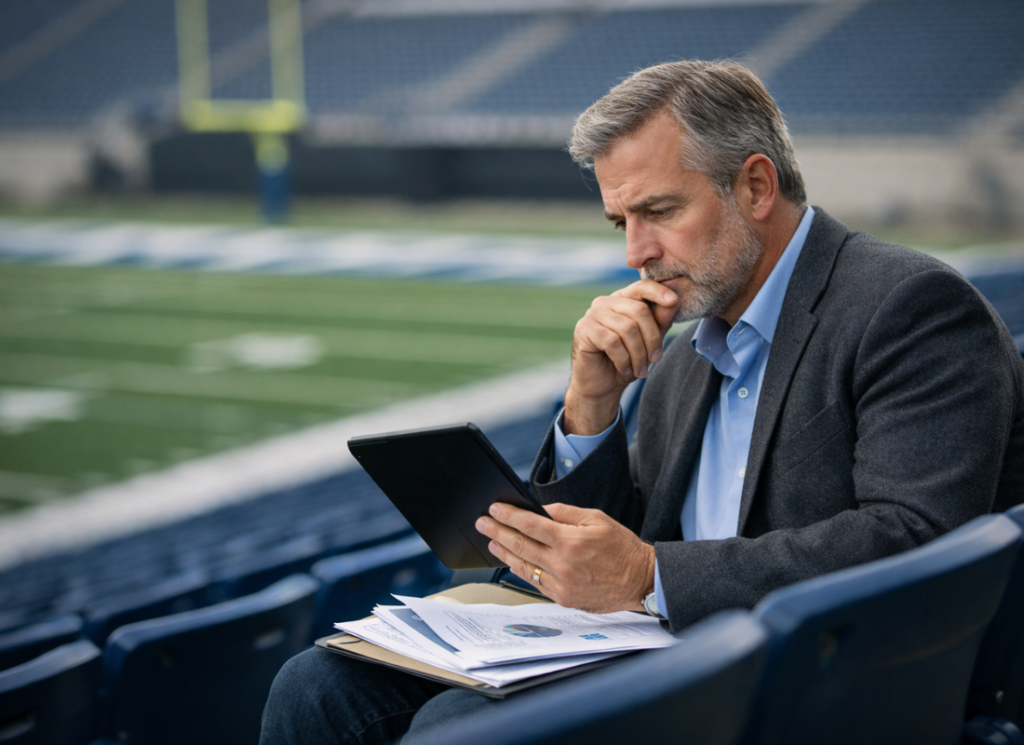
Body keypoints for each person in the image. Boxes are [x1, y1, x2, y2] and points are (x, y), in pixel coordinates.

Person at [260, 60, 1024, 744]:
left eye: (658, 211)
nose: (634, 253)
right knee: (316, 684)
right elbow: (619, 538)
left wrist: (652, 575)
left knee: (456, 728)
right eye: (621, 221)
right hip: (664, 650)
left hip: (808, 675)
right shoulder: (691, 345)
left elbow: (919, 540)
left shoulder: (909, 304)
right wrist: (591, 405)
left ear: (756, 186)